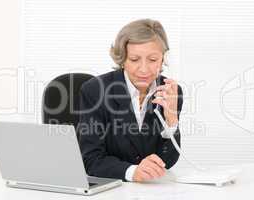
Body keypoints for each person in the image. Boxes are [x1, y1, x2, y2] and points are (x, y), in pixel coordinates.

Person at [77, 19, 183, 182]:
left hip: (153, 191)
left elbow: (167, 161)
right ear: (122, 59)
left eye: (153, 59)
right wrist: (132, 171)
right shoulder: (95, 91)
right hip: (110, 188)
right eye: (134, 59)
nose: (144, 69)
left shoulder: (170, 92)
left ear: (163, 58)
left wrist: (171, 121)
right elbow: (90, 159)